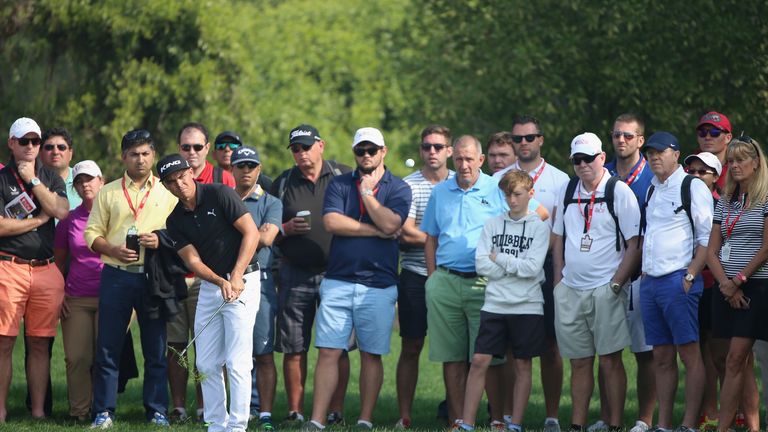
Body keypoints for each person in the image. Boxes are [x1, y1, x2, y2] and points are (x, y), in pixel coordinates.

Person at [303, 127, 411, 431]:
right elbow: (331, 221)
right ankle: (317, 420)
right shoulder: (339, 183)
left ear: (383, 152)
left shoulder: (399, 187)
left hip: (379, 284)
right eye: (360, 151)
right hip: (338, 280)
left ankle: (365, 420)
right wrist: (375, 230)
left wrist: (367, 194)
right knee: (328, 351)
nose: (365, 155)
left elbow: (392, 223)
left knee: (371, 354)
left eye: (371, 150)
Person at [158, 154, 261, 432]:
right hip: (212, 286)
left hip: (245, 279)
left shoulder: (220, 194)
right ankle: (216, 424)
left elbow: (252, 234)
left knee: (237, 360)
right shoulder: (175, 220)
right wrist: (219, 281)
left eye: (182, 176)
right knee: (205, 361)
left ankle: (237, 426)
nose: (179, 184)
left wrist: (236, 275)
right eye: (171, 181)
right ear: (166, 186)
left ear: (191, 172)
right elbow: (193, 262)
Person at [84, 129, 177, 428]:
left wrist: (159, 241)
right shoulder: (108, 191)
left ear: (153, 155)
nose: (140, 159)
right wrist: (110, 248)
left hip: (153, 277)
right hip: (116, 275)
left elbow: (179, 235)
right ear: (123, 156)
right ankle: (104, 411)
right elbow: (91, 233)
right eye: (134, 153)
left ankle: (156, 410)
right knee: (109, 347)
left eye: (145, 153)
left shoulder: (167, 192)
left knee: (155, 348)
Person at [552, 133, 640, 432]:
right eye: (577, 159)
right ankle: (577, 423)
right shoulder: (567, 189)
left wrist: (616, 283)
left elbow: (634, 244)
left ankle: (615, 423)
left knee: (610, 361)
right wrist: (558, 282)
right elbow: (558, 239)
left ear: (602, 157)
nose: (582, 165)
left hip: (606, 287)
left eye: (588, 158)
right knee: (578, 361)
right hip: (571, 289)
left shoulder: (619, 191)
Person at [421, 135, 507, 426]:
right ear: (451, 158)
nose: (464, 164)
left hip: (486, 283)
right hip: (445, 283)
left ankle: (497, 419)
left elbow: (524, 220)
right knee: (453, 358)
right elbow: (430, 237)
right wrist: (433, 279)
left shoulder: (497, 188)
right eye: (458, 159)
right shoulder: (440, 191)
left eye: (469, 159)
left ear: (481, 160)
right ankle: (457, 422)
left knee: (490, 357)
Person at [455, 169, 549, 432]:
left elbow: (533, 269)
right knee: (479, 361)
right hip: (494, 303)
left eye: (517, 194)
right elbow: (481, 264)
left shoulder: (539, 228)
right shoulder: (492, 224)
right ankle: (468, 423)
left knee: (522, 363)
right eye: (507, 194)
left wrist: (501, 259)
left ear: (530, 194)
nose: (512, 200)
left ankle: (515, 423)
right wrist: (509, 266)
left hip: (527, 305)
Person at [271, 124, 352, 424]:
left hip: (338, 273)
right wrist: (285, 229)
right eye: (295, 148)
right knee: (294, 346)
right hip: (295, 272)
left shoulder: (344, 175)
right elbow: (264, 228)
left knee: (338, 346)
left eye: (306, 146)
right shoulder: (282, 183)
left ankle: (336, 410)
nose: (301, 153)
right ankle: (295, 410)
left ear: (321, 145)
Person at [494, 116, 569, 432]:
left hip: (547, 265)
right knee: (510, 345)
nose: (522, 144)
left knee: (550, 344)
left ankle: (551, 415)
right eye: (517, 139)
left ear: (540, 140)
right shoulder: (496, 179)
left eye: (529, 138)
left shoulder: (560, 180)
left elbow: (560, 230)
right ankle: (511, 413)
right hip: (507, 269)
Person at [640, 131, 712, 432]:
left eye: (660, 151)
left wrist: (691, 274)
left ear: (675, 154)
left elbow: (706, 237)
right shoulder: (651, 189)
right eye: (649, 153)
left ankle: (688, 425)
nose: (654, 157)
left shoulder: (691, 186)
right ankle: (664, 424)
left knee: (689, 353)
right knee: (661, 356)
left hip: (678, 279)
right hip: (651, 282)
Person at [0, 117, 69, 422]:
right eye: (24, 141)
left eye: (35, 142)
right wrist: (39, 221)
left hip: (46, 271)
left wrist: (35, 181)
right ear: (11, 143)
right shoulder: (1, 178)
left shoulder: (50, 177)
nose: (30, 147)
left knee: (41, 343)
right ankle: (1, 411)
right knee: (4, 342)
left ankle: (39, 413)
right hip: (8, 267)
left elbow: (61, 210)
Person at [167, 122, 235, 422]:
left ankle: (207, 407)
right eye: (186, 147)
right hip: (173, 273)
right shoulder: (167, 178)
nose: (192, 152)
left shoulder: (223, 180)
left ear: (207, 148)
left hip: (212, 277)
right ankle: (179, 407)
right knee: (176, 344)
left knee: (210, 346)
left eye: (197, 147)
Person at [593, 114, 655, 432]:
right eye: (617, 134)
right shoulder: (602, 176)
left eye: (628, 136)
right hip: (605, 274)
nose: (621, 140)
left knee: (645, 353)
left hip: (641, 276)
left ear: (640, 140)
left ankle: (644, 419)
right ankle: (607, 417)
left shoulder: (652, 176)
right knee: (607, 351)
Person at [705, 137, 768, 432]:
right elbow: (711, 251)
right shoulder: (727, 200)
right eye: (731, 161)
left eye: (742, 159)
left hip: (754, 288)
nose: (735, 165)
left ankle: (724, 427)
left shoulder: (766, 199)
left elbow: (767, 247)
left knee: (735, 359)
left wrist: (739, 281)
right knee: (736, 363)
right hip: (726, 289)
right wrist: (726, 285)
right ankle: (754, 427)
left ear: (756, 163)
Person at [395, 124, 454, 429]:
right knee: (411, 345)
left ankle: (455, 415)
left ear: (450, 151)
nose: (432, 152)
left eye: (438, 147)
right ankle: (405, 416)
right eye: (427, 146)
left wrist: (425, 230)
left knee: (454, 350)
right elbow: (406, 231)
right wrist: (444, 237)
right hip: (416, 275)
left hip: (455, 276)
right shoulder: (408, 185)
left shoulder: (462, 182)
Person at [229, 146, 283, 430]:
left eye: (252, 165)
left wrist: (233, 240)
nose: (246, 170)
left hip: (259, 281)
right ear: (232, 170)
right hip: (227, 281)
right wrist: (252, 235)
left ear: (259, 170)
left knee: (262, 352)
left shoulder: (271, 202)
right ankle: (236, 409)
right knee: (232, 351)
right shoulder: (223, 199)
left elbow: (266, 237)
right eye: (241, 165)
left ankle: (264, 413)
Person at [53, 160, 105, 422]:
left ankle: (103, 410)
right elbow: (59, 261)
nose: (86, 184)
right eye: (80, 181)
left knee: (103, 357)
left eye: (90, 179)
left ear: (101, 181)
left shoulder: (114, 214)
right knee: (76, 357)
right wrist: (59, 293)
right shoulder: (69, 220)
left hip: (111, 296)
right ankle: (79, 412)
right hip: (76, 297)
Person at [683, 152, 724, 428]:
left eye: (703, 172)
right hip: (692, 284)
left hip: (715, 285)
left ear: (715, 177)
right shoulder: (683, 201)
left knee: (719, 354)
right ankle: (705, 411)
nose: (696, 177)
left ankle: (726, 411)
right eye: (692, 171)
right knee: (695, 351)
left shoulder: (721, 204)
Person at [696, 111, 732, 193]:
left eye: (715, 132)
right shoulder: (689, 170)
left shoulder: (737, 169)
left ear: (728, 138)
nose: (707, 137)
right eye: (702, 133)